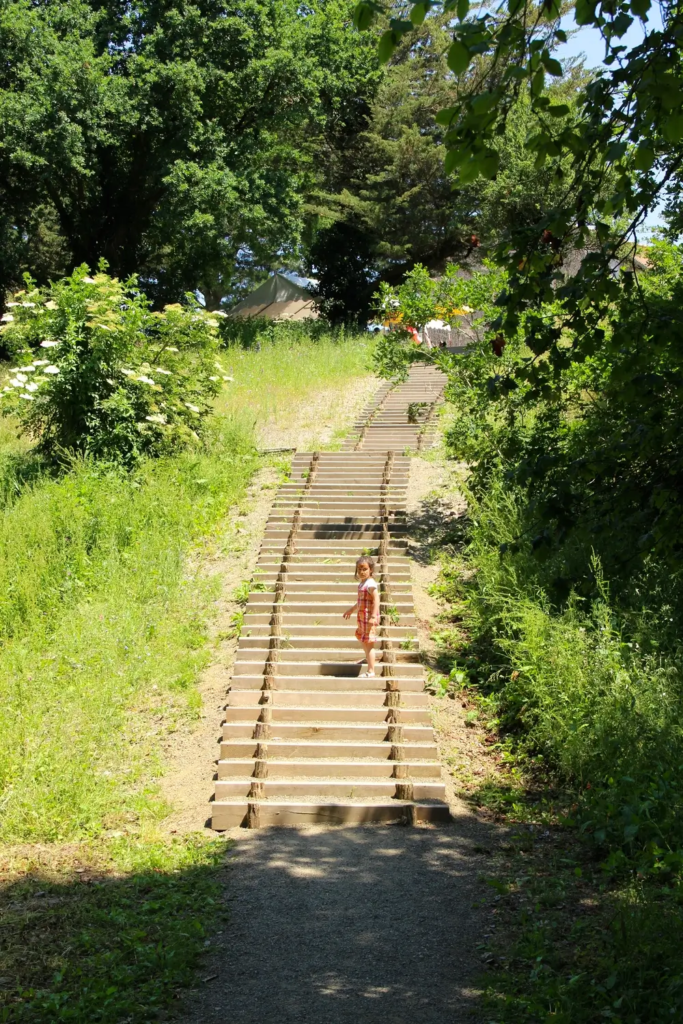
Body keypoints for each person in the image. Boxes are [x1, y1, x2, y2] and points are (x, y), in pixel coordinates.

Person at [343, 556, 380, 677]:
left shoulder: (370, 583)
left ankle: (371, 671)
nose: (361, 572)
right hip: (362, 617)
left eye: (364, 569)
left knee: (368, 643)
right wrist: (351, 610)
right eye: (359, 569)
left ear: (371, 570)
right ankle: (369, 659)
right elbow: (360, 601)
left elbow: (376, 599)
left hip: (368, 618)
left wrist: (373, 616)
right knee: (363, 640)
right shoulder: (362, 583)